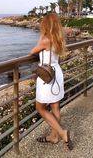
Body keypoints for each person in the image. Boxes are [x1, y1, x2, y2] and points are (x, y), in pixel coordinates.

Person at [30, 13, 73, 150]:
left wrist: (41, 37)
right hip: (56, 73)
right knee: (55, 106)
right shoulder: (58, 38)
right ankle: (54, 137)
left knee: (40, 107)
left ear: (46, 25)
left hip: (47, 76)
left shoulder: (45, 39)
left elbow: (32, 52)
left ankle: (61, 133)